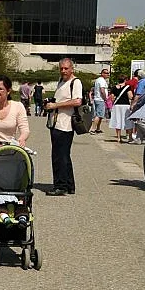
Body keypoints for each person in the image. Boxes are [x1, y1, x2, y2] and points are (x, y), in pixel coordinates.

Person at [44, 58, 82, 196]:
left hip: (65, 124)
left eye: (66, 68)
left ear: (72, 69)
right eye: (61, 69)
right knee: (63, 155)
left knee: (60, 156)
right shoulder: (61, 82)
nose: (63, 71)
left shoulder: (75, 82)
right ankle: (69, 184)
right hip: (56, 122)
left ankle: (60, 185)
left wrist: (56, 105)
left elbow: (78, 101)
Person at [108, 74, 134, 143]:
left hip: (117, 106)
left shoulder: (114, 88)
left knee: (118, 121)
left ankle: (118, 138)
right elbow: (130, 96)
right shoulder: (127, 87)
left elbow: (112, 98)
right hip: (125, 106)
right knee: (128, 121)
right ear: (125, 80)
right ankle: (130, 138)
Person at [129, 69, 145, 144]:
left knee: (139, 121)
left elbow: (138, 95)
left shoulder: (141, 83)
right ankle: (139, 138)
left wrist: (133, 104)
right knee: (140, 120)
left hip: (142, 103)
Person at [89, 68, 110, 134]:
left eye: (108, 73)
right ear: (102, 73)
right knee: (98, 115)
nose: (108, 74)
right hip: (100, 99)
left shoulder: (98, 80)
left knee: (100, 115)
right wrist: (105, 98)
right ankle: (93, 129)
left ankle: (98, 128)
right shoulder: (101, 80)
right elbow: (102, 90)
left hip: (98, 99)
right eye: (106, 73)